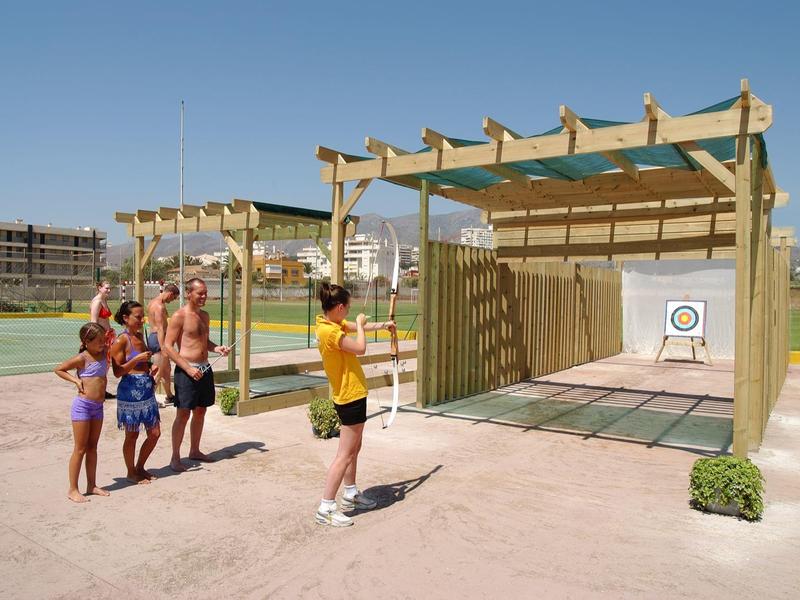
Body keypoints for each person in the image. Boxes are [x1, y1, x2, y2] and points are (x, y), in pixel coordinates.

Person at [314, 282, 396, 527]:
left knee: (354, 449)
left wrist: (383, 325)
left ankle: (350, 493)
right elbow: (360, 347)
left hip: (353, 395)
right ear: (339, 307)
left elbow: (357, 326)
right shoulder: (331, 332)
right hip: (348, 397)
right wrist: (360, 325)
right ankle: (326, 506)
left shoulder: (330, 323)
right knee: (345, 454)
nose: (349, 313)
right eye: (347, 308)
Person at [163, 278, 229, 472]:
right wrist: (188, 368)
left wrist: (216, 348)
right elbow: (167, 347)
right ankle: (175, 457)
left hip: (205, 368)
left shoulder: (205, 316)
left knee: (201, 411)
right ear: (189, 293)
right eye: (200, 293)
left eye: (205, 293)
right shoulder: (179, 316)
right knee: (183, 414)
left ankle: (195, 450)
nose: (204, 296)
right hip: (187, 371)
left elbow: (204, 341)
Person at [54, 322, 112, 503]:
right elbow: (59, 369)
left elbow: (113, 345)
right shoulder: (82, 358)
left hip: (98, 407)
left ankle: (91, 484)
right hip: (83, 406)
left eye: (104, 340)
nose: (102, 343)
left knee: (93, 447)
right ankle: (73, 489)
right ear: (86, 342)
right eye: (99, 341)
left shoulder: (104, 353)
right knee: (80, 449)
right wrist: (76, 381)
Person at [111, 301, 161, 484]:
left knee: (154, 433)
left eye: (142, 317)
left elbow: (144, 362)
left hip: (146, 389)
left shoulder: (140, 336)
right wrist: (137, 360)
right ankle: (131, 471)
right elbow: (117, 372)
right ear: (126, 318)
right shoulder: (121, 340)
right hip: (129, 391)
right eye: (138, 317)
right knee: (132, 434)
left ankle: (140, 466)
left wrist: (150, 366)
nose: (142, 320)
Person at [146, 283, 180, 408]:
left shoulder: (152, 302)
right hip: (159, 339)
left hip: (156, 338)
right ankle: (149, 398)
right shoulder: (159, 307)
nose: (173, 300)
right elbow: (160, 328)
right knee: (158, 371)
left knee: (166, 370)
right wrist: (163, 347)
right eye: (174, 298)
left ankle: (170, 396)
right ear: (170, 294)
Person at [89, 280, 116, 399]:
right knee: (99, 364)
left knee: (106, 364)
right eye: (106, 288)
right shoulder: (97, 301)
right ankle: (96, 390)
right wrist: (98, 338)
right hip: (101, 336)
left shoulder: (104, 300)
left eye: (110, 288)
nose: (109, 290)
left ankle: (102, 389)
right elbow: (93, 322)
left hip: (107, 335)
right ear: (99, 288)